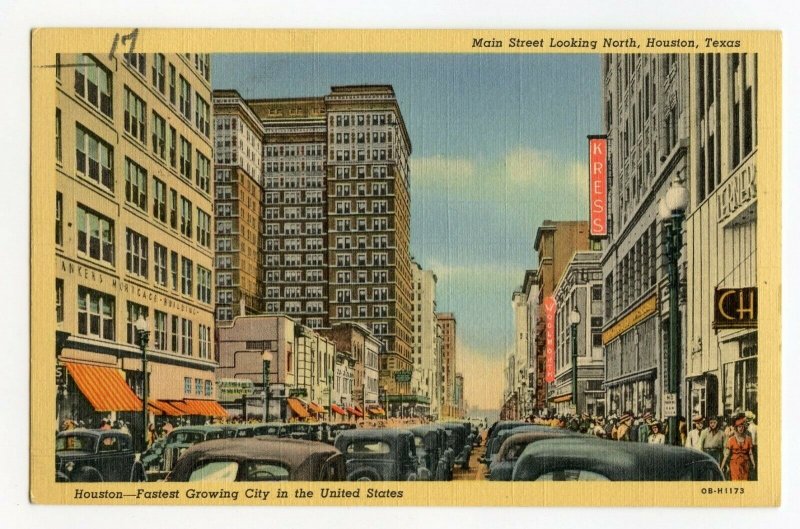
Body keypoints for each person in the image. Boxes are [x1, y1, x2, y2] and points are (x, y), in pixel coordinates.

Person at [721, 415, 755, 481]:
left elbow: (750, 453)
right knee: (735, 481)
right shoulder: (731, 439)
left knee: (744, 482)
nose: (741, 428)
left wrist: (753, 463)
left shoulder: (748, 439)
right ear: (736, 428)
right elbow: (726, 455)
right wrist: (722, 466)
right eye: (739, 427)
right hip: (734, 464)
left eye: (742, 427)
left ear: (744, 428)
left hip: (745, 464)